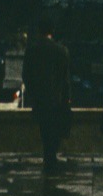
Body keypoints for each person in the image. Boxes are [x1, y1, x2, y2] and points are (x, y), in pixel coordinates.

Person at [21, 20, 71, 173]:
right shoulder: (61, 51)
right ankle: (51, 157)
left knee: (45, 129)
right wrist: (67, 97)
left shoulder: (32, 51)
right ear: (52, 31)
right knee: (54, 130)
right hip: (57, 99)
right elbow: (65, 78)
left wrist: (33, 93)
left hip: (40, 98)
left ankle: (48, 157)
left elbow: (26, 75)